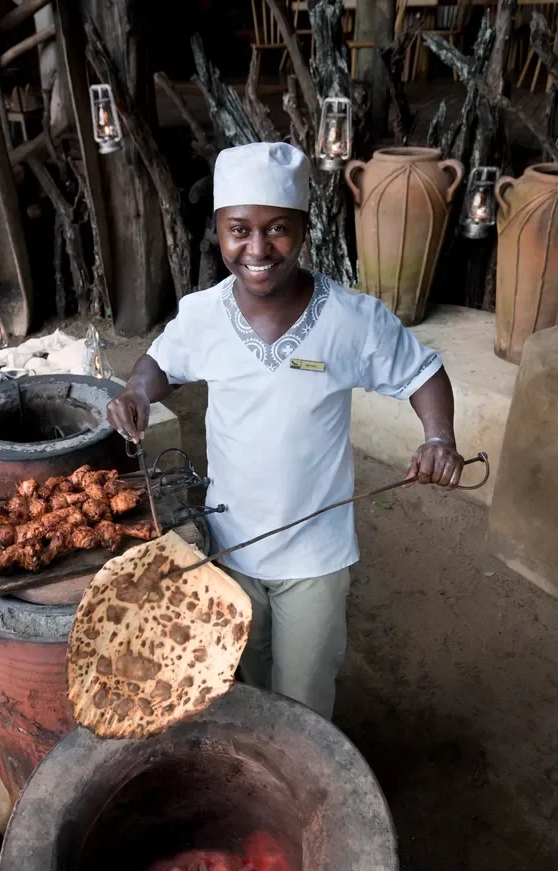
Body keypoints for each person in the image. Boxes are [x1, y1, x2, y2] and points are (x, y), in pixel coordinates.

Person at [107, 142, 464, 720]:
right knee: (246, 679)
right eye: (238, 230)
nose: (256, 248)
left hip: (314, 559)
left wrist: (439, 438)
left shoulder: (351, 319)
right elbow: (161, 364)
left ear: (303, 227)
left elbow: (424, 373)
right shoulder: (203, 314)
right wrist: (135, 391)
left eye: (276, 228)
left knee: (302, 702)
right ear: (219, 232)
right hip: (231, 545)